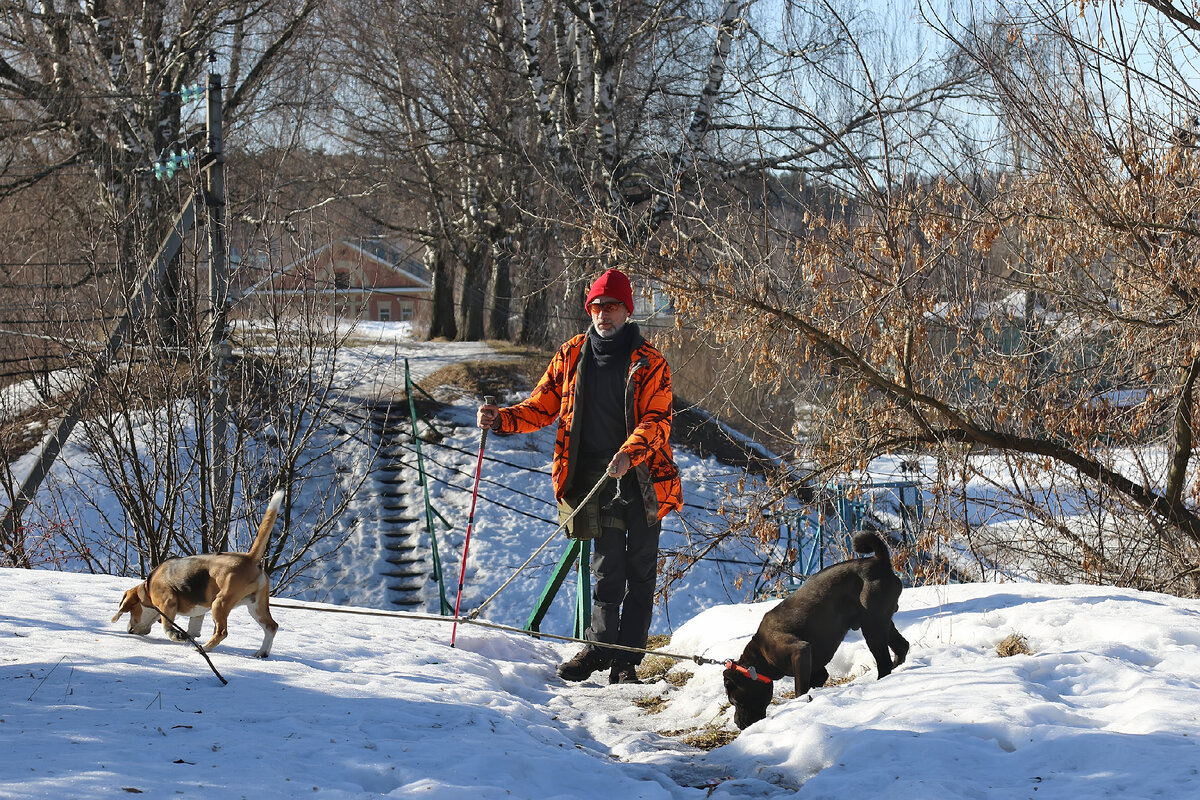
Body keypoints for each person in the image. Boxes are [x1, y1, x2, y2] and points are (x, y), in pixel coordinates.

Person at [477, 268, 682, 685]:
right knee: (608, 570)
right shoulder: (571, 354)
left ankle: (627, 662)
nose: (602, 314)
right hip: (595, 479)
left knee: (640, 574)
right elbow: (541, 406)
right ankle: (599, 649)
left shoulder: (650, 362)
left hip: (644, 481)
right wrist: (502, 419)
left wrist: (629, 453)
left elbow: (659, 420)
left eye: (611, 306)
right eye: (596, 306)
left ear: (627, 310)